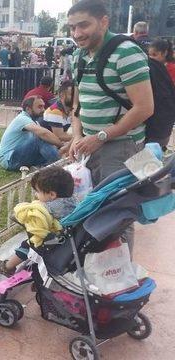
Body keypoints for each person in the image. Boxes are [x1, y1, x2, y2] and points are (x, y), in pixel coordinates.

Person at [67, 0, 155, 255]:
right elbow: (78, 105)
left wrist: (101, 136)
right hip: (91, 147)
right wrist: (78, 135)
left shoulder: (126, 52)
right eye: (72, 27)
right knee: (92, 210)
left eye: (83, 25)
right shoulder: (79, 56)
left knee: (117, 216)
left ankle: (118, 281)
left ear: (104, 21)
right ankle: (100, 270)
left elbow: (144, 108)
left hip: (122, 147)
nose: (77, 33)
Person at [0, 166, 77, 276]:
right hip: (70, 237)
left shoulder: (49, 208)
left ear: (52, 195)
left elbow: (35, 219)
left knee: (29, 244)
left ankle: (7, 267)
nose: (36, 195)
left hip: (57, 241)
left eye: (38, 191)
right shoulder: (72, 199)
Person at [0, 96, 64, 171]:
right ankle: (60, 165)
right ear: (28, 109)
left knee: (46, 144)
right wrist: (62, 145)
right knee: (40, 137)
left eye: (43, 106)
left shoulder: (33, 121)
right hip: (9, 159)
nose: (43, 110)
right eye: (39, 107)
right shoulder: (22, 119)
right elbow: (43, 133)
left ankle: (42, 167)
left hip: (18, 156)